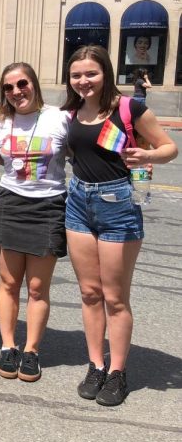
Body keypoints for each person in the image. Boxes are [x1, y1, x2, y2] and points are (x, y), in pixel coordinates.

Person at [62, 45, 177, 406]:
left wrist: (147, 155)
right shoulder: (71, 112)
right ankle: (96, 364)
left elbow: (169, 147)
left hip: (118, 205)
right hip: (78, 203)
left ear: (106, 73)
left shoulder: (130, 108)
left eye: (91, 73)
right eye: (77, 75)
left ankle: (118, 372)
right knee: (90, 293)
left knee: (115, 296)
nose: (84, 81)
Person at [0, 63, 69, 382]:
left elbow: (86, 151)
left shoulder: (59, 118)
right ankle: (8, 346)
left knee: (36, 286)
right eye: (9, 87)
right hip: (11, 205)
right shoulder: (0, 124)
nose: (17, 91)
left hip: (49, 206)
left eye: (22, 83)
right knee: (8, 283)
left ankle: (31, 350)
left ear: (34, 83)